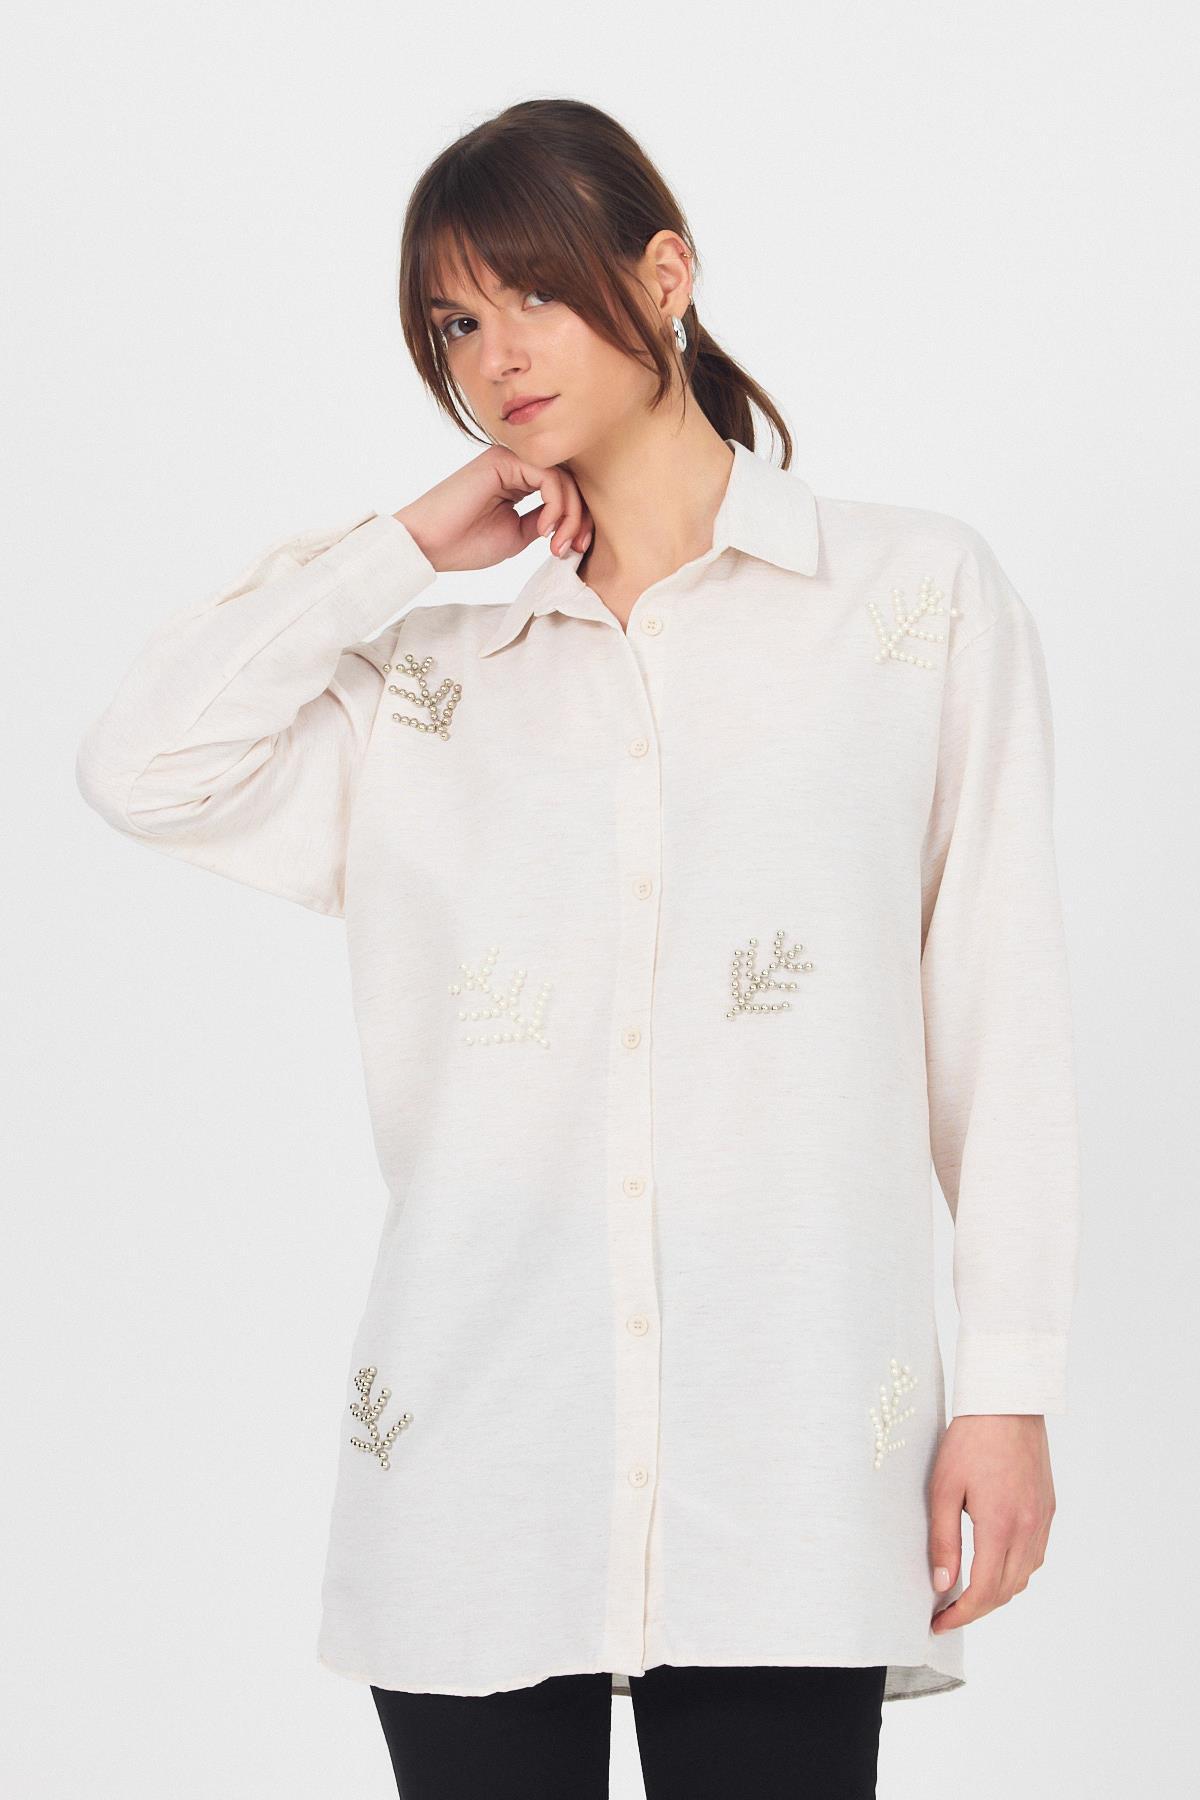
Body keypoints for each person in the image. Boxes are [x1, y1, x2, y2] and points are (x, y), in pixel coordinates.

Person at [75, 97, 1081, 1800]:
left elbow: (1004, 1015)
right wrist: (406, 548)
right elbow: (141, 764)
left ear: (664, 275)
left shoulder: (911, 603)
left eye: (534, 293)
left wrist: (1009, 1387)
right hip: (479, 1448)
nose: (496, 356)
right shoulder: (435, 689)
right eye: (455, 325)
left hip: (791, 1444)